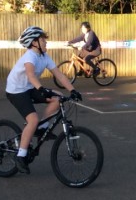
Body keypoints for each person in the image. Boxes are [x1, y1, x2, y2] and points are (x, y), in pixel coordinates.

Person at [6, 26, 82, 174]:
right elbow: (31, 75)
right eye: (43, 39)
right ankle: (21, 156)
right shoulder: (30, 57)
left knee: (57, 97)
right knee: (33, 119)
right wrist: (41, 89)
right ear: (34, 43)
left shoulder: (44, 56)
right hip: (16, 90)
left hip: (29, 88)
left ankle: (42, 128)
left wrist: (72, 90)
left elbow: (59, 75)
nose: (46, 42)